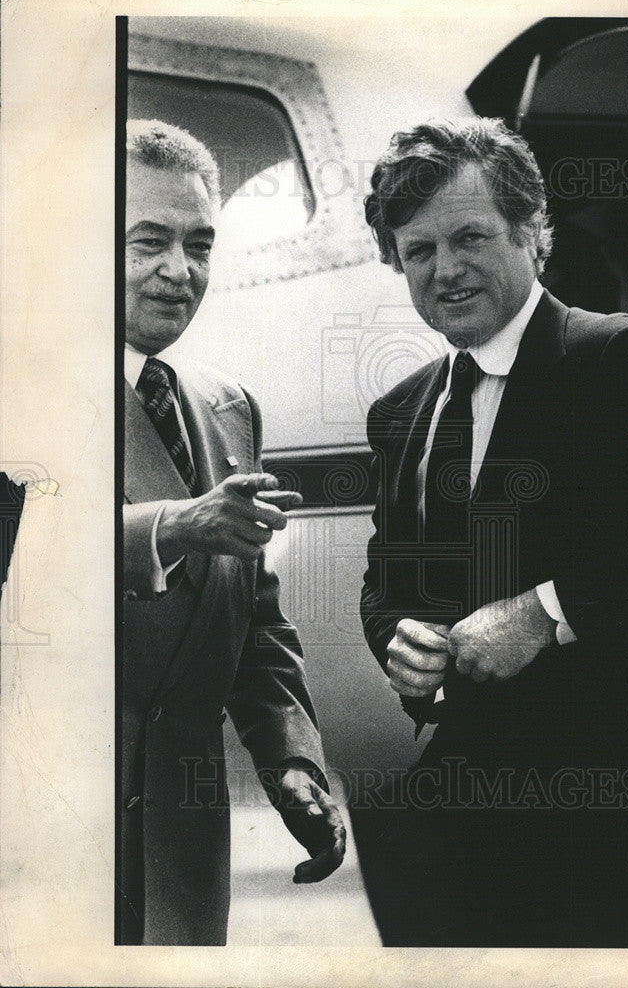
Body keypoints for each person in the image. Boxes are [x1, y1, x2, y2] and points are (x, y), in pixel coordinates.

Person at [353, 118, 628, 947]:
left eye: (470, 235)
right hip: (475, 826)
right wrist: (395, 640)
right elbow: (387, 578)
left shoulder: (623, 357)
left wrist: (546, 612)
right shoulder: (399, 411)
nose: (446, 269)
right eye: (418, 250)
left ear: (532, 234)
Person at [120, 120, 345, 945]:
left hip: (181, 847)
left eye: (199, 245)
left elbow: (251, 615)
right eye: (149, 242)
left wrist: (291, 757)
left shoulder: (228, 406)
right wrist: (175, 525)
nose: (179, 272)